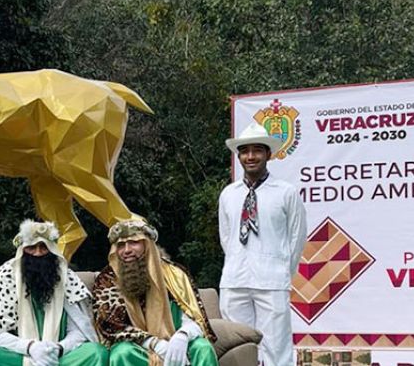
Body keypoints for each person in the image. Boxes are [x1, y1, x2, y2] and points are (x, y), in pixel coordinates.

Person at [218, 122, 307, 366]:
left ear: (269, 154)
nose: (251, 156)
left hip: (272, 280)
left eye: (257, 150)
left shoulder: (285, 192)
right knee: (237, 346)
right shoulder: (229, 193)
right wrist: (240, 260)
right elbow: (226, 237)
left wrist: (279, 271)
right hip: (235, 280)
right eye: (245, 151)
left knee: (275, 347)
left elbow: (296, 238)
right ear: (239, 156)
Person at [0, 220, 108, 366]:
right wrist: (31, 348)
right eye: (31, 248)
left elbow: (79, 329)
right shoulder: (7, 275)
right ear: (23, 250)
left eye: (43, 247)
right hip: (20, 356)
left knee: (96, 352)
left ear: (52, 249)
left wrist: (59, 349)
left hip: (60, 357)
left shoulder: (66, 277)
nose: (38, 253)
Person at [92, 219, 218, 366]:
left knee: (203, 348)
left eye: (134, 242)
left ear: (148, 245)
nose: (126, 250)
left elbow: (196, 318)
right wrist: (154, 343)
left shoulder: (175, 274)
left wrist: (182, 336)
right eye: (120, 245)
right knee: (122, 353)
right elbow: (109, 326)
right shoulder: (107, 279)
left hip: (176, 343)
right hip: (137, 348)